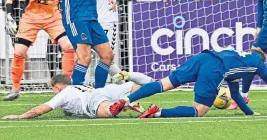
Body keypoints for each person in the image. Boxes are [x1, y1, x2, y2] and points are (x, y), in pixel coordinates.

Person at [109, 49, 267, 118]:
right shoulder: (258, 64)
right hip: (214, 68)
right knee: (199, 110)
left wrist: (250, 112)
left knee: (162, 84)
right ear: (261, 60)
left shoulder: (239, 57)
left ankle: (126, 99)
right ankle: (157, 113)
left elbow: (236, 94)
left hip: (203, 57)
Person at [4, 0, 75, 101]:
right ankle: (15, 88)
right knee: (19, 52)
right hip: (31, 18)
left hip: (53, 18)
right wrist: (9, 15)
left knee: (68, 46)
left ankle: (66, 87)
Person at [1, 72, 153, 119]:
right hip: (102, 91)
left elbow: (41, 109)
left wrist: (20, 116)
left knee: (108, 110)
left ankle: (118, 107)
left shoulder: (64, 93)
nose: (52, 92)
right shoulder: (77, 87)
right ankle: (129, 102)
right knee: (133, 87)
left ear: (58, 86)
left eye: (52, 88)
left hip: (92, 100)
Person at [116, 0, 141, 70]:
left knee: (129, 42)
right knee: (118, 42)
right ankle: (119, 68)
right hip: (117, 13)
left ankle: (128, 69)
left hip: (130, 14)